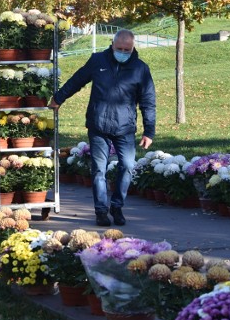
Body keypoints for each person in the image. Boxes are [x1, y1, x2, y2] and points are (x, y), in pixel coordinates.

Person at [50, 29, 156, 226]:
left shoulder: (141, 69)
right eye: (119, 48)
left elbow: (148, 101)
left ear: (133, 48)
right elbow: (77, 80)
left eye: (127, 49)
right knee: (99, 169)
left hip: (125, 128)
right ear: (112, 44)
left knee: (128, 166)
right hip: (99, 125)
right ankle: (100, 210)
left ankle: (117, 206)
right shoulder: (98, 61)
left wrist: (149, 131)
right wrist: (59, 97)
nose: (123, 52)